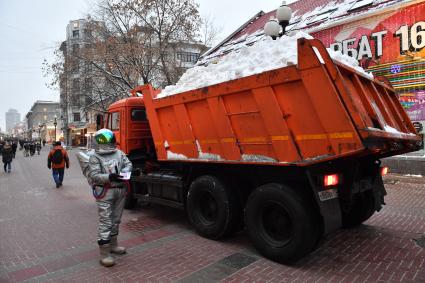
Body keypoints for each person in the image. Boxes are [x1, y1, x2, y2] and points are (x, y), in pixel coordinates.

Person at [85, 129, 132, 267]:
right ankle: (104, 253)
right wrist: (109, 177)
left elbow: (128, 163)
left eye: (107, 138)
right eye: (102, 139)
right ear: (98, 140)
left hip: (120, 189)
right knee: (106, 220)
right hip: (105, 191)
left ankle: (113, 245)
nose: (105, 141)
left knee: (116, 219)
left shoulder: (119, 153)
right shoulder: (95, 157)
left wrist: (125, 172)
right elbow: (94, 175)